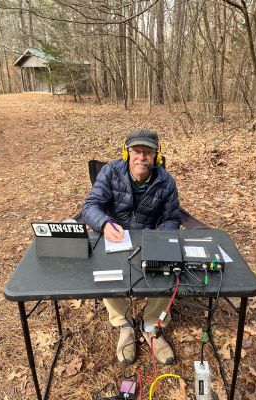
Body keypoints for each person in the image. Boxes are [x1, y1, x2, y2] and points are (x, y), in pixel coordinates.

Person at [82, 129, 181, 365]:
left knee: (170, 269)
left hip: (148, 240)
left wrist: (160, 235)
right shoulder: (110, 172)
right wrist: (104, 223)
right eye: (137, 151)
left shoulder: (166, 181)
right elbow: (91, 206)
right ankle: (124, 324)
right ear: (127, 153)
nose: (142, 157)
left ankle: (151, 326)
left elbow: (172, 218)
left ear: (156, 156)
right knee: (103, 273)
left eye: (148, 152)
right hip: (115, 237)